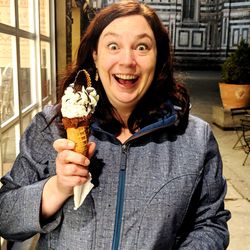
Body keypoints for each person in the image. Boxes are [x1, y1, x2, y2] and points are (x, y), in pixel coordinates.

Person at [0, 1, 230, 249]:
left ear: (159, 58)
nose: (127, 60)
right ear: (95, 56)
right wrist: (57, 188)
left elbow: (211, 225)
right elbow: (6, 218)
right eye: (113, 46)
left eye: (142, 47)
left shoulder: (195, 139)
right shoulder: (50, 126)